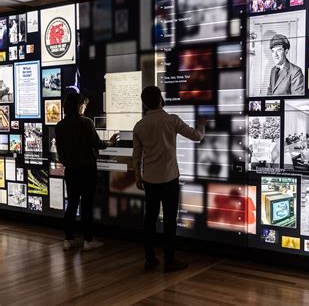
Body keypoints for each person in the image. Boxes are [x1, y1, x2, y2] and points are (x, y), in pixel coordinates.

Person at [132, 86, 206, 272]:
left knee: (150, 219)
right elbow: (196, 136)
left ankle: (149, 258)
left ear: (144, 103)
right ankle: (169, 260)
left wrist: (138, 176)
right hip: (169, 178)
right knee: (170, 220)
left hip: (150, 179)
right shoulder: (171, 120)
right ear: (161, 99)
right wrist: (202, 124)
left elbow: (137, 156)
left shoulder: (140, 125)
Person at [55, 92, 118, 251]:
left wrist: (69, 162)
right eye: (84, 104)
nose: (85, 107)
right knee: (87, 205)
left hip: (71, 171)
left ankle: (68, 239)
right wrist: (110, 142)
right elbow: (97, 144)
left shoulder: (60, 125)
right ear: (78, 106)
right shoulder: (86, 122)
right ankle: (88, 240)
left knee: (72, 204)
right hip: (87, 170)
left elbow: (60, 153)